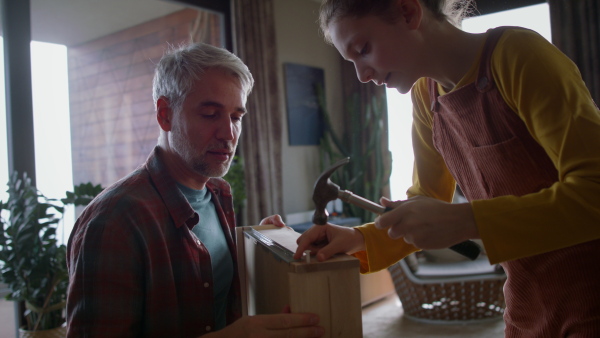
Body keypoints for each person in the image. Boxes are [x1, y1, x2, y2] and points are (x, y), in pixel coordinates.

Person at [295, 0, 600, 336]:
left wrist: (466, 220)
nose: (362, 76)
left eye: (364, 49)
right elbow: (426, 198)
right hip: (526, 304)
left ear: (409, 12)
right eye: (351, 61)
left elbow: (593, 191)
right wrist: (356, 238)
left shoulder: (519, 56)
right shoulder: (426, 98)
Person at [67, 42, 324, 338]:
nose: (229, 133)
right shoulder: (114, 222)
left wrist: (262, 245)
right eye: (210, 114)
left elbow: (211, 290)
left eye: (236, 117)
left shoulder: (218, 193)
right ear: (165, 115)